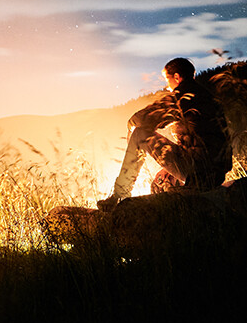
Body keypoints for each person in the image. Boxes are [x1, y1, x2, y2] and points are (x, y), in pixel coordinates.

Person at [97, 57, 231, 211]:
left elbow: (145, 118)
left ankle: (119, 195)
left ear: (176, 77)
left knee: (140, 134)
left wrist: (130, 126)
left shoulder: (182, 96)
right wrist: (171, 167)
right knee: (160, 181)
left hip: (197, 171)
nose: (167, 86)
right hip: (215, 173)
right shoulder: (207, 97)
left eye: (167, 79)